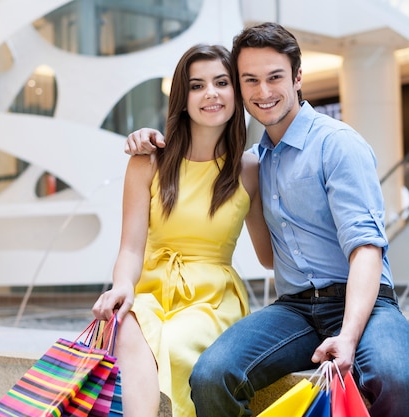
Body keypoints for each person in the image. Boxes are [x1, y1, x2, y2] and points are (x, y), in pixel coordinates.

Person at [124, 22, 409, 417]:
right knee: (211, 375)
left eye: (275, 78)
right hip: (295, 309)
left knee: (399, 379)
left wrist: (349, 336)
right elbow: (268, 258)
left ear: (298, 77)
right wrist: (150, 139)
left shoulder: (337, 144)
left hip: (365, 305)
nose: (263, 92)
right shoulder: (256, 161)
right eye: (250, 80)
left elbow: (367, 248)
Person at [91, 44, 272, 417]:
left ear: (235, 92)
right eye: (197, 85)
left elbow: (269, 256)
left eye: (221, 82)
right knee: (125, 324)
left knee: (173, 342)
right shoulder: (148, 161)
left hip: (212, 298)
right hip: (152, 289)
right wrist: (123, 285)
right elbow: (130, 247)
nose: (210, 93)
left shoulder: (250, 169)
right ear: (182, 98)